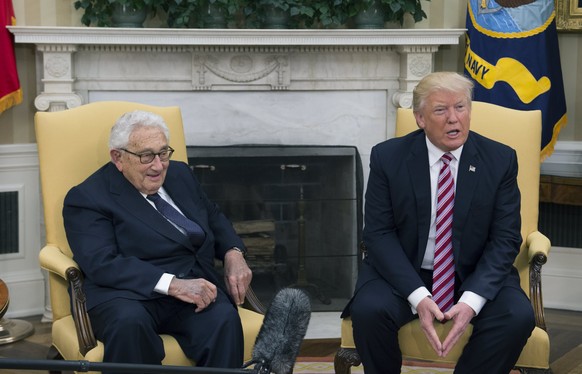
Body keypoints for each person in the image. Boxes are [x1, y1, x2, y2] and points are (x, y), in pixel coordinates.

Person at [342, 72, 535, 374]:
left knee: (518, 315)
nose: (453, 119)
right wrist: (418, 296)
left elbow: (506, 238)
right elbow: (378, 234)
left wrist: (471, 300)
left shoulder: (500, 160)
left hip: (474, 271)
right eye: (440, 110)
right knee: (369, 310)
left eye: (460, 107)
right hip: (406, 271)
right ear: (420, 118)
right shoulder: (388, 158)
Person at [63, 110, 252, 372]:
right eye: (146, 156)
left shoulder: (180, 174)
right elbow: (101, 263)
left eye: (163, 153)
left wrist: (234, 252)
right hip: (126, 294)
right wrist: (172, 284)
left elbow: (211, 215)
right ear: (118, 157)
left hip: (192, 285)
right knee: (129, 325)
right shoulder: (87, 197)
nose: (158, 165)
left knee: (223, 318)